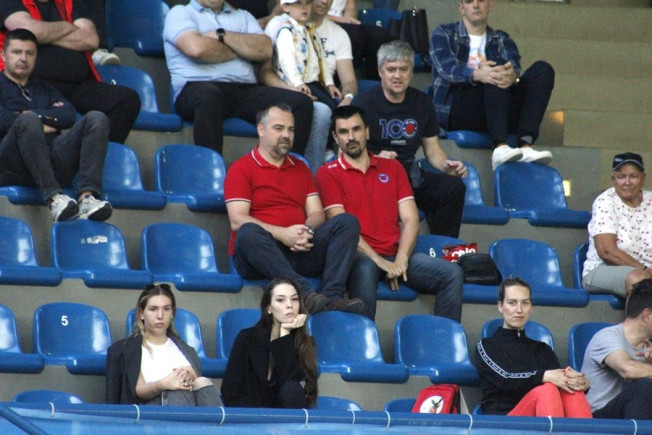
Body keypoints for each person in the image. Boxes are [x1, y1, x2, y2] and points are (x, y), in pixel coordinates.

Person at [317, 105, 464, 321]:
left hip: (395, 253)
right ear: (335, 137)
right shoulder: (327, 173)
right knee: (365, 270)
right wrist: (380, 261)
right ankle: (362, 341)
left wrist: (401, 260)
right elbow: (341, 227)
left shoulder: (393, 168)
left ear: (367, 132)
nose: (351, 137)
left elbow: (410, 219)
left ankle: (446, 339)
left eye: (356, 129)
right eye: (343, 132)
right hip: (358, 256)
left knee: (452, 273)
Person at [224, 103, 364, 315]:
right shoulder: (241, 168)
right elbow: (237, 220)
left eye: (291, 129)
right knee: (248, 232)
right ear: (261, 130)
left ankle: (332, 297)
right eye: (279, 128)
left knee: (347, 222)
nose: (286, 135)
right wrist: (283, 234)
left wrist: (306, 230)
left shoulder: (300, 168)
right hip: (262, 255)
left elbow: (317, 213)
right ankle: (304, 294)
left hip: (300, 249)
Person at [163, 0, 314, 156]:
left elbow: (265, 49)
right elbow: (197, 49)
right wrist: (243, 49)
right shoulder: (180, 12)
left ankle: (289, 168)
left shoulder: (243, 16)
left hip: (244, 90)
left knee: (300, 102)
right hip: (196, 88)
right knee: (209, 96)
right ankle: (211, 167)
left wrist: (223, 35)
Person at [352, 40, 467, 238]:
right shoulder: (362, 104)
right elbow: (346, 151)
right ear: (380, 72)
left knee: (453, 188)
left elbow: (432, 150)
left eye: (403, 69)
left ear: (411, 72)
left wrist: (446, 165)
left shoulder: (422, 102)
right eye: (391, 70)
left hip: (408, 173)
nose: (397, 75)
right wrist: (374, 157)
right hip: (373, 174)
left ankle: (446, 249)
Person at [0, 28, 112, 222]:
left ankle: (87, 198)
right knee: (27, 121)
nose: (23, 58)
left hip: (51, 160)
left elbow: (68, 115)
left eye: (29, 53)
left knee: (96, 118)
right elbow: (4, 119)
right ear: (3, 55)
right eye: (16, 52)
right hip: (13, 164)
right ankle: (54, 199)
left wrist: (32, 116)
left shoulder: (44, 88)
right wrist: (40, 119)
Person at [430, 0, 555, 171]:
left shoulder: (502, 38)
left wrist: (512, 76)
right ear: (461, 7)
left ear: (490, 5)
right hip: (460, 108)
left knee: (542, 69)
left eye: (481, 0)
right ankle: (499, 145)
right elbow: (447, 69)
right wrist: (478, 75)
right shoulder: (444, 33)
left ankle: (526, 145)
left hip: (498, 106)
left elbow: (513, 65)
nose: (475, 5)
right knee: (496, 66)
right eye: (469, 1)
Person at [0, 0, 140, 144]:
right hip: (35, 85)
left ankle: (95, 154)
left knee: (126, 100)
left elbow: (91, 39)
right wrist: (67, 26)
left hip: (78, 85)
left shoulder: (71, 2)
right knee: (37, 117)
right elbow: (28, 32)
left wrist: (44, 35)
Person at [475, 277, 592, 417]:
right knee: (546, 390)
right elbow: (505, 379)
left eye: (525, 303)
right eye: (512, 303)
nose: (519, 310)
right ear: (500, 306)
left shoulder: (542, 349)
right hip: (503, 420)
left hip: (541, 414)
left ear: (530, 307)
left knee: (573, 393)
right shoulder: (487, 346)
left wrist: (579, 383)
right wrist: (544, 376)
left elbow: (559, 382)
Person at [105, 284, 222, 406]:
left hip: (188, 404)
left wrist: (189, 377)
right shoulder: (124, 349)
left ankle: (220, 418)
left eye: (166, 309)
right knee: (176, 391)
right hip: (150, 411)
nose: (160, 316)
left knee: (202, 382)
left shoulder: (186, 349)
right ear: (141, 313)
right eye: (153, 309)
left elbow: (195, 381)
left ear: (172, 313)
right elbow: (136, 391)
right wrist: (163, 384)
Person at [221, 278, 318, 408]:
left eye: (294, 299)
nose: (289, 305)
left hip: (286, 416)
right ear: (269, 308)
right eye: (281, 300)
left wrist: (285, 334)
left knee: (292, 389)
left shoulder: (305, 343)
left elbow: (292, 386)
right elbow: (230, 389)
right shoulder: (247, 338)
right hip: (250, 414)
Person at [583, 152, 651, 298]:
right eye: (621, 177)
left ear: (643, 178)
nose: (627, 182)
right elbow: (607, 251)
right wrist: (645, 269)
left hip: (647, 270)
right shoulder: (605, 202)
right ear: (613, 179)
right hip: (603, 269)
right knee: (641, 280)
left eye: (633, 176)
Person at [582, 278, 652, 419]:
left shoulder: (649, 346)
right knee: (645, 386)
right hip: (600, 419)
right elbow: (628, 369)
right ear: (647, 316)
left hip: (632, 413)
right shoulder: (607, 336)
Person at [267, 0, 340, 111]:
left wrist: (329, 84)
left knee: (334, 105)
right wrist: (298, 83)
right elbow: (287, 61)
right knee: (330, 108)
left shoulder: (311, 31)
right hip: (296, 85)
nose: (304, 7)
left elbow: (321, 60)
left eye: (308, 3)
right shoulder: (287, 31)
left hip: (314, 83)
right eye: (299, 3)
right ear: (286, 7)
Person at [326, 0, 390, 80]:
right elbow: (311, 12)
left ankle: (372, 82)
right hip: (322, 22)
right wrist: (341, 20)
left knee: (379, 35)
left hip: (344, 23)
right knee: (354, 34)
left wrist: (349, 19)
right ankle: (348, 79)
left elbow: (351, 7)